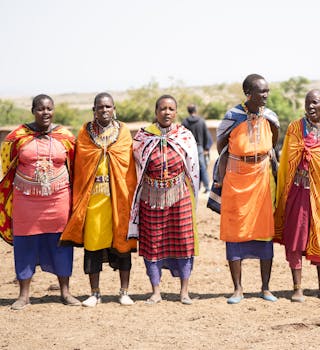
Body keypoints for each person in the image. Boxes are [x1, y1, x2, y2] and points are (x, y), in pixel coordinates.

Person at [0, 94, 80, 310]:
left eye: (49, 109)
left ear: (54, 110)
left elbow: (76, 165)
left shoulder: (65, 136)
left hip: (58, 199)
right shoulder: (17, 137)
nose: (46, 113)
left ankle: (65, 291)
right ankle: (23, 295)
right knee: (25, 244)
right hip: (25, 200)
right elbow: (7, 165)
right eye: (41, 109)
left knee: (61, 244)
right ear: (33, 111)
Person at [60, 93, 138, 307]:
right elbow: (81, 163)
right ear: (93, 109)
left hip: (119, 197)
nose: (104, 110)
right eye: (100, 107)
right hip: (93, 197)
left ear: (114, 108)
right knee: (93, 245)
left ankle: (124, 291)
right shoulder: (85, 132)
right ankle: (95, 293)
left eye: (108, 106)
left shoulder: (123, 132)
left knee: (122, 243)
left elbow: (128, 164)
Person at [129, 95, 199, 305]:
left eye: (171, 109)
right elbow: (135, 168)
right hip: (151, 197)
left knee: (185, 242)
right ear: (156, 112)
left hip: (180, 196)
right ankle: (156, 291)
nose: (166, 112)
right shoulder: (142, 137)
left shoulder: (184, 135)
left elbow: (193, 165)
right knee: (153, 243)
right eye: (162, 108)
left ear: (176, 112)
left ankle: (184, 291)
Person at [218, 74, 279, 304]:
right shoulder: (233, 116)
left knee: (264, 232)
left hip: (262, 178)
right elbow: (221, 144)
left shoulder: (270, 117)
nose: (265, 95)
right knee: (234, 231)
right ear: (248, 93)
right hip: (236, 179)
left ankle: (265, 288)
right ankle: (238, 289)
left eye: (267, 91)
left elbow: (275, 141)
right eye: (261, 91)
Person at [274, 89, 320, 302]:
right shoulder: (295, 128)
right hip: (297, 190)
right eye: (307, 102)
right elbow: (287, 160)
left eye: (315, 103)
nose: (310, 106)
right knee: (295, 237)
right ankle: (297, 288)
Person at [182, 104, 212, 193]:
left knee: (190, 167)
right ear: (195, 110)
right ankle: (207, 187)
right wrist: (206, 148)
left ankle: (194, 187)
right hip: (199, 148)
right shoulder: (201, 121)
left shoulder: (185, 122)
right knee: (202, 167)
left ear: (188, 111)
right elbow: (206, 135)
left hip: (188, 148)